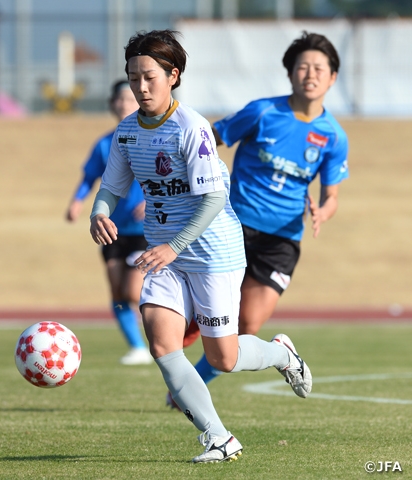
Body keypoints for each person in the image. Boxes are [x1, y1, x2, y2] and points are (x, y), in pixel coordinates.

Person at [89, 29, 312, 463]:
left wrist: (174, 246)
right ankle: (219, 437)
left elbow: (213, 199)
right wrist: (100, 211)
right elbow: (111, 187)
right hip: (164, 255)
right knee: (161, 343)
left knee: (223, 357)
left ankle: (282, 353)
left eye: (149, 76)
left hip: (213, 254)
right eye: (133, 77)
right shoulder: (128, 132)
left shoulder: (191, 127)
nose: (140, 86)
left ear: (173, 76)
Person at [181, 31, 349, 391]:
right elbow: (208, 140)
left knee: (248, 325)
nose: (310, 74)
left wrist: (322, 212)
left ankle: (195, 382)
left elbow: (331, 196)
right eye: (302, 66)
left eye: (320, 68)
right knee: (208, 309)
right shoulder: (262, 112)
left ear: (332, 77)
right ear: (290, 73)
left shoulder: (333, 136)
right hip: (233, 226)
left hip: (282, 241)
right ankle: (190, 358)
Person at [66, 80, 151, 366]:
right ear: (112, 104)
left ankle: (169, 332)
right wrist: (77, 202)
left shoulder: (153, 138)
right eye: (120, 100)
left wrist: (151, 202)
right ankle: (137, 346)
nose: (125, 104)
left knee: (131, 291)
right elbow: (90, 177)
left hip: (146, 233)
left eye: (130, 99)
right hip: (112, 229)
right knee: (117, 294)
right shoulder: (105, 144)